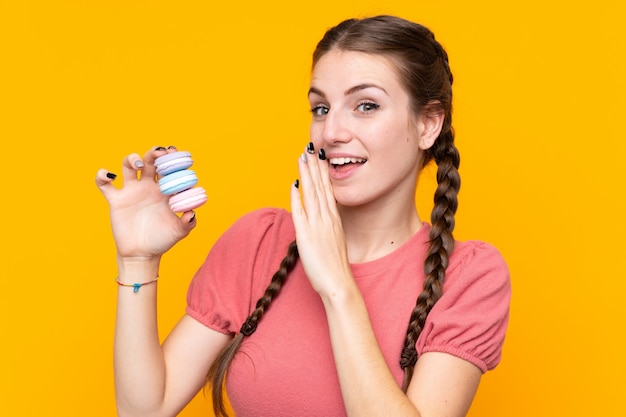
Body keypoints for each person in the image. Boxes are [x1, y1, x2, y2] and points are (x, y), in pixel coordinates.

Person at [95, 15, 511, 417]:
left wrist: (337, 287)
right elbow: (143, 410)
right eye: (320, 108)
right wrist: (137, 260)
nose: (331, 132)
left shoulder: (470, 276)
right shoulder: (258, 240)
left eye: (366, 105)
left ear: (428, 124)